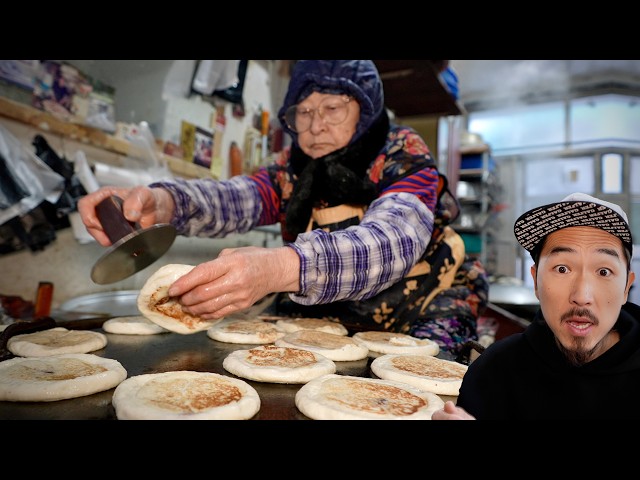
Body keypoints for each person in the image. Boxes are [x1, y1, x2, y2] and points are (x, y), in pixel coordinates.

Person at [77, 60, 488, 357]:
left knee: (425, 377)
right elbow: (235, 198)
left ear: (366, 111)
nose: (315, 126)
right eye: (303, 112)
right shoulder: (292, 168)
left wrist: (275, 268)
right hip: (338, 304)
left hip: (427, 299)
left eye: (333, 109)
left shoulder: (401, 152)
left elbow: (392, 243)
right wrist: (164, 202)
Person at [433, 192, 639, 420]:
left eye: (603, 272)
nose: (582, 296)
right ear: (535, 282)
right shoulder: (494, 371)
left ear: (626, 288)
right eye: (562, 269)